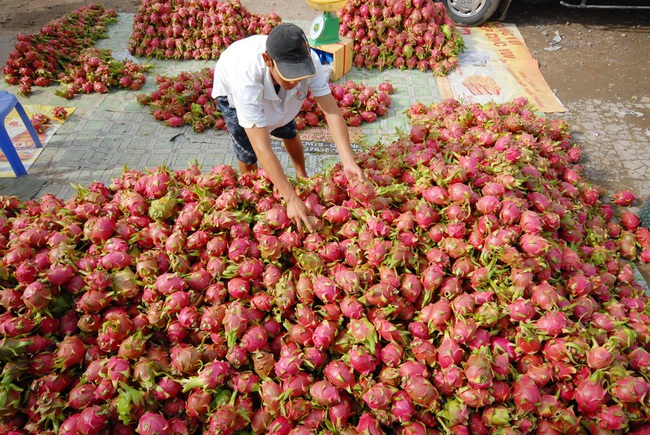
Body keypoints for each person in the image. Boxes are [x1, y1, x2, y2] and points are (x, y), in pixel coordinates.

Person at [211, 22, 365, 233]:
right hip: (231, 91)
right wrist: (291, 198)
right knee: (247, 151)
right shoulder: (245, 79)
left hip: (273, 91)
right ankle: (253, 190)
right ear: (268, 61)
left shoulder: (310, 62)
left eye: (300, 74)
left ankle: (301, 174)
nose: (295, 81)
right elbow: (262, 148)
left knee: (288, 129)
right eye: (289, 74)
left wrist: (348, 160)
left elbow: (331, 111)